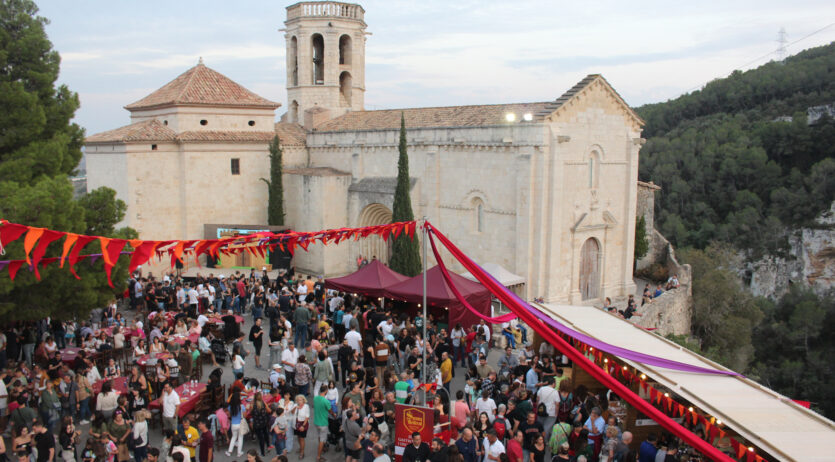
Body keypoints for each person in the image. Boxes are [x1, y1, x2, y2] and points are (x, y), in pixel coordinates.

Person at [313, 385, 333, 462]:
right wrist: (334, 415)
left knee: (319, 436)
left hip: (316, 422)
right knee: (322, 439)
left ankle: (322, 448)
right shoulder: (326, 401)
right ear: (326, 391)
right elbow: (330, 411)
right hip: (323, 423)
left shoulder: (315, 398)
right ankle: (319, 456)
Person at [226, 390, 246, 457]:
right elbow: (245, 415)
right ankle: (239, 452)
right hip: (240, 424)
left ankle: (229, 451)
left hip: (233, 424)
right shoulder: (241, 406)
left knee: (233, 437)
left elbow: (229, 415)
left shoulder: (230, 407)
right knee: (240, 438)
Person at [293, 395, 310, 459]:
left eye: (300, 400)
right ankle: (300, 448)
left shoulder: (306, 406)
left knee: (302, 438)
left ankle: (302, 452)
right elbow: (292, 413)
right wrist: (295, 408)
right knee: (298, 436)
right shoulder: (295, 405)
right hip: (296, 423)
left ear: (303, 400)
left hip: (303, 423)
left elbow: (307, 417)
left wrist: (303, 426)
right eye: (298, 400)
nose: (299, 401)